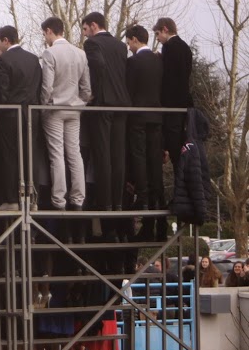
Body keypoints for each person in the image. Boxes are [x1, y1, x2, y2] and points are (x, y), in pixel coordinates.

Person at [39, 16, 91, 212]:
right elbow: (86, 88)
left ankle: (59, 199)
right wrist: (80, 102)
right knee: (75, 154)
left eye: (45, 34)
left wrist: (44, 105)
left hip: (55, 108)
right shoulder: (80, 53)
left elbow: (47, 86)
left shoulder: (50, 53)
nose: (45, 38)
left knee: (57, 154)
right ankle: (78, 199)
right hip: (74, 109)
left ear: (49, 31)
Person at [81, 12, 131, 212]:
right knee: (118, 156)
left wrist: (93, 93)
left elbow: (99, 66)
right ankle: (118, 202)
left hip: (103, 103)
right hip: (122, 103)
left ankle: (105, 203)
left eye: (85, 29)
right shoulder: (121, 45)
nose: (85, 34)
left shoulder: (92, 44)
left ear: (94, 25)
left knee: (102, 155)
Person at [0, 25, 42, 211]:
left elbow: (2, 91)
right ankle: (33, 199)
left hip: (11, 114)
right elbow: (38, 86)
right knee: (30, 154)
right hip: (32, 113)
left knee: (10, 155)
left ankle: (12, 199)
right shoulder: (33, 59)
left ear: (6, 40)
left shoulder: (3, 59)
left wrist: (0, 110)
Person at [125, 24, 164, 214]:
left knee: (139, 155)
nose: (129, 46)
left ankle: (143, 195)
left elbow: (129, 89)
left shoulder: (133, 62)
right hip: (156, 115)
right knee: (154, 157)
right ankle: (157, 196)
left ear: (134, 39)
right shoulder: (159, 60)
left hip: (138, 116)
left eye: (129, 42)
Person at [153, 17, 193, 172]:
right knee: (181, 147)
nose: (157, 38)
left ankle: (180, 182)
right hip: (183, 103)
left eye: (158, 34)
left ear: (165, 29)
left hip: (171, 106)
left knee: (174, 148)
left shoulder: (169, 47)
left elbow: (169, 78)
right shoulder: (185, 47)